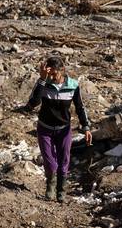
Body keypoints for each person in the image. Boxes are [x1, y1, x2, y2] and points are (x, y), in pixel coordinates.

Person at [25, 56, 92, 202]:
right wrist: (42, 79)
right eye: (50, 74)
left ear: (62, 70)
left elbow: (80, 107)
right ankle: (50, 186)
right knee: (50, 162)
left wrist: (86, 127)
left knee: (64, 161)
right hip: (45, 128)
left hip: (63, 129)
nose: (52, 77)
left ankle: (61, 191)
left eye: (54, 74)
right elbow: (32, 104)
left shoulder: (73, 85)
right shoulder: (44, 83)